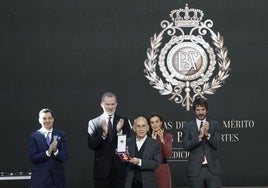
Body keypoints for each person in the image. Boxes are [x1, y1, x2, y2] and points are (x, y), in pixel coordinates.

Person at [88, 91, 132, 188]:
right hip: (101, 171)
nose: (110, 107)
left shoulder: (123, 121)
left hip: (120, 170)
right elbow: (92, 145)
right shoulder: (94, 123)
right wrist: (103, 134)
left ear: (116, 104)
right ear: (102, 104)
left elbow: (129, 144)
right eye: (107, 104)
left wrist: (119, 131)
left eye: (113, 104)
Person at [182, 97, 222, 188]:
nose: (200, 112)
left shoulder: (214, 124)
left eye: (203, 109)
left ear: (207, 110)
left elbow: (217, 144)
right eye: (198, 110)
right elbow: (185, 146)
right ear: (194, 111)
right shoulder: (187, 126)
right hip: (195, 171)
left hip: (212, 170)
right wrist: (199, 137)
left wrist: (207, 134)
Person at [29, 108, 68, 188]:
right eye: (44, 118)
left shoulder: (61, 134)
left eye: (49, 118)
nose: (47, 121)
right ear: (39, 120)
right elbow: (33, 158)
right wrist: (48, 152)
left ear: (53, 119)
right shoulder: (34, 136)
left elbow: (64, 157)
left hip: (57, 181)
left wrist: (56, 151)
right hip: (40, 180)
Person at [123, 116, 161, 188]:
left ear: (147, 128)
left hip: (148, 183)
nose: (141, 129)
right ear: (134, 128)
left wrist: (140, 162)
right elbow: (124, 162)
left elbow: (156, 163)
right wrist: (122, 155)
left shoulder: (155, 144)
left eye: (143, 126)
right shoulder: (127, 142)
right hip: (130, 183)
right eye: (138, 126)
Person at [148, 113, 173, 188]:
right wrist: (153, 142)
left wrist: (162, 140)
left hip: (163, 169)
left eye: (157, 121)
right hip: (150, 170)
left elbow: (168, 154)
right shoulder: (146, 138)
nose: (155, 124)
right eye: (152, 122)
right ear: (149, 125)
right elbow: (148, 156)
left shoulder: (167, 136)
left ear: (161, 122)